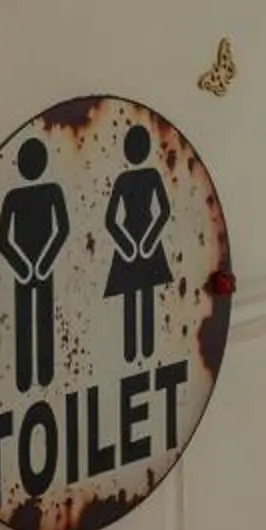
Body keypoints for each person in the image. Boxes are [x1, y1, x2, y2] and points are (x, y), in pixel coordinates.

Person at [0, 137, 69, 393]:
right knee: (26, 320)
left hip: (39, 268)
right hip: (28, 270)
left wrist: (40, 262)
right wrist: (28, 265)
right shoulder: (15, 197)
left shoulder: (50, 192)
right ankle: (25, 378)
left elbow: (63, 229)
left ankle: (45, 373)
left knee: (42, 317)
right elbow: (2, 239)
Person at [104, 125, 175, 364]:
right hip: (136, 242)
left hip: (143, 241)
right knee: (131, 296)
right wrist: (130, 245)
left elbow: (164, 210)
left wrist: (146, 241)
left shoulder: (150, 176)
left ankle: (145, 349)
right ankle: (131, 352)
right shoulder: (125, 179)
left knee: (144, 295)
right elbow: (110, 219)